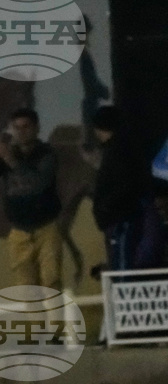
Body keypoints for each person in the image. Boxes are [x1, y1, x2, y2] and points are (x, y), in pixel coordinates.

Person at [0, 108, 63, 290]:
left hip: (46, 228)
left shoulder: (46, 154)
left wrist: (10, 159)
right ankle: (35, 321)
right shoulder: (8, 155)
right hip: (18, 231)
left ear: (36, 128)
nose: (21, 132)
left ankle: (56, 320)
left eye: (26, 127)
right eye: (16, 128)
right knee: (26, 289)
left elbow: (37, 183)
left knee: (51, 282)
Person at [92, 106, 148, 272]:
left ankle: (123, 296)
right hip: (119, 217)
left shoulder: (116, 151)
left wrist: (106, 208)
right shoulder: (123, 148)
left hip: (120, 219)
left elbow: (123, 185)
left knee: (123, 266)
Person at [79, 15, 111, 153]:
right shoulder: (83, 55)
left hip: (91, 102)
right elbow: (90, 82)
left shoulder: (83, 54)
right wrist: (105, 92)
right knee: (92, 143)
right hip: (90, 103)